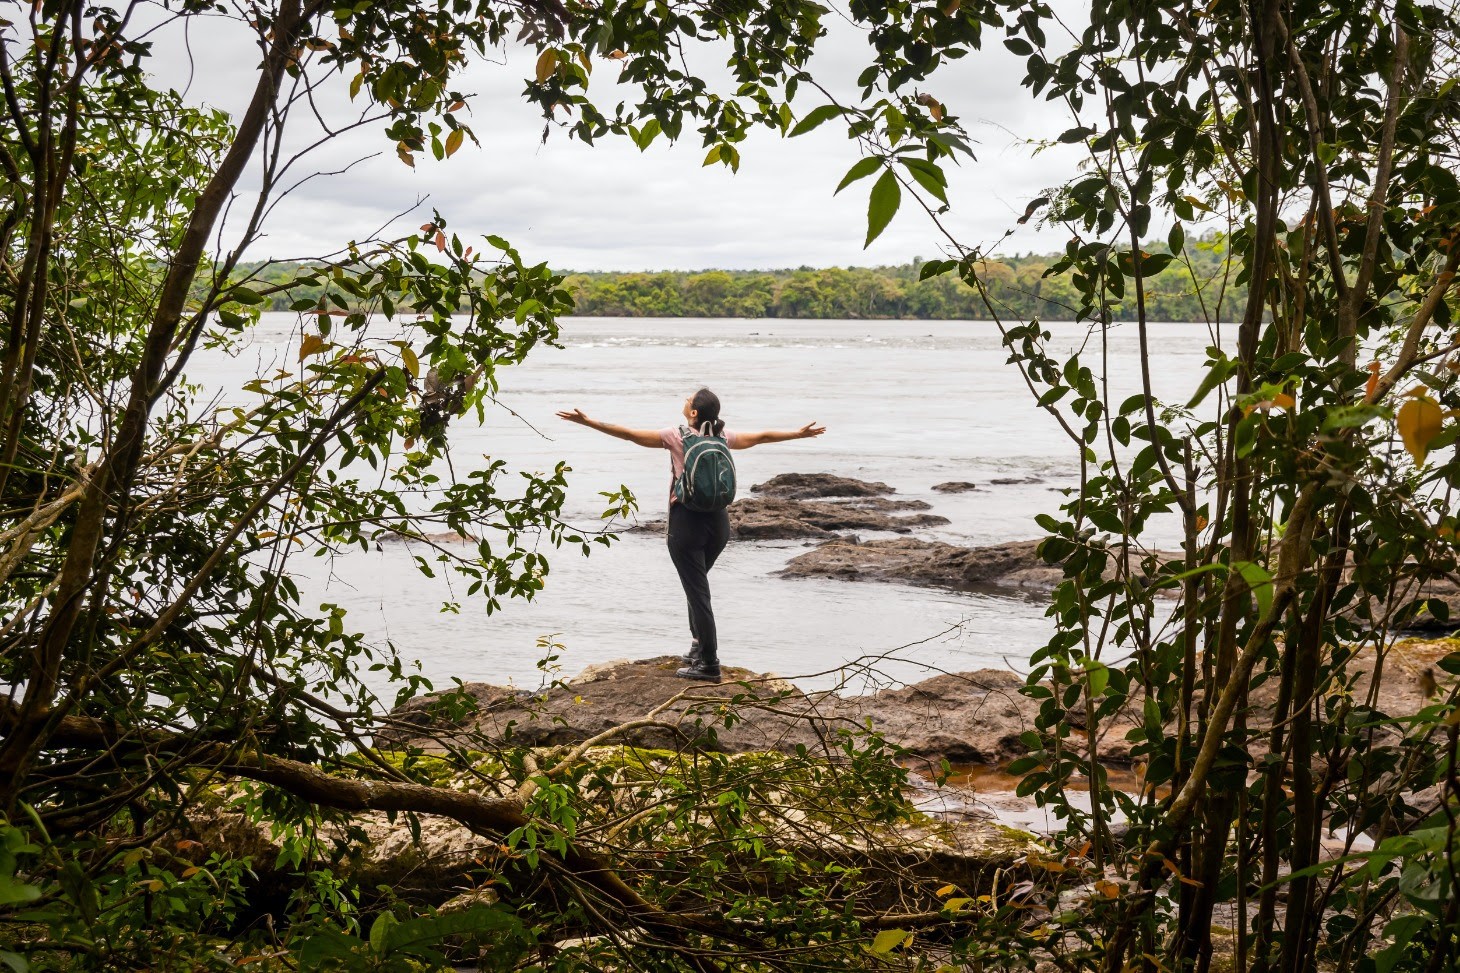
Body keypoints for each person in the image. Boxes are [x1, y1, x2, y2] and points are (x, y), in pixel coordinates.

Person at [557, 389, 826, 681]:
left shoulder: (677, 436)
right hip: (719, 525)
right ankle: (698, 647)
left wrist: (590, 422)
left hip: (687, 524)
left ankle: (709, 664)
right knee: (696, 588)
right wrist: (798, 435)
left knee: (698, 594)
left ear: (694, 413)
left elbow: (630, 435)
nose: (685, 400)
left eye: (689, 399)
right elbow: (762, 437)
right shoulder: (723, 437)